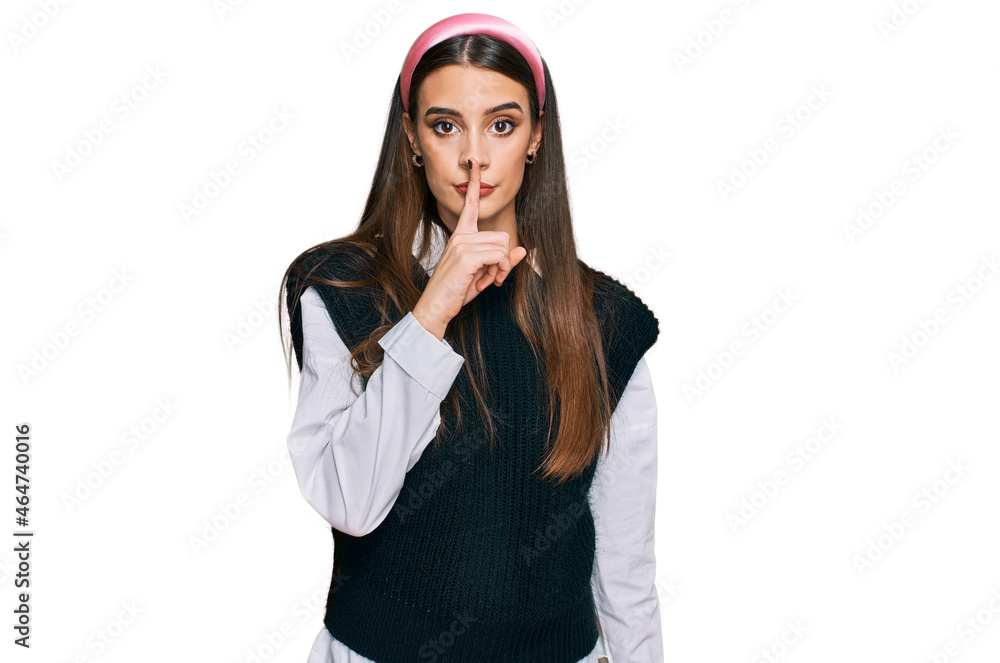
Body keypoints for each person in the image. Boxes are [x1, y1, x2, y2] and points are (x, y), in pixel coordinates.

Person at [279, 13, 663, 663]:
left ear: (536, 136)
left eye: (502, 125)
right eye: (446, 125)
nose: (475, 156)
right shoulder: (342, 288)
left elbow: (626, 570)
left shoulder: (605, 321)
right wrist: (431, 313)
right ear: (412, 137)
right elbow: (351, 501)